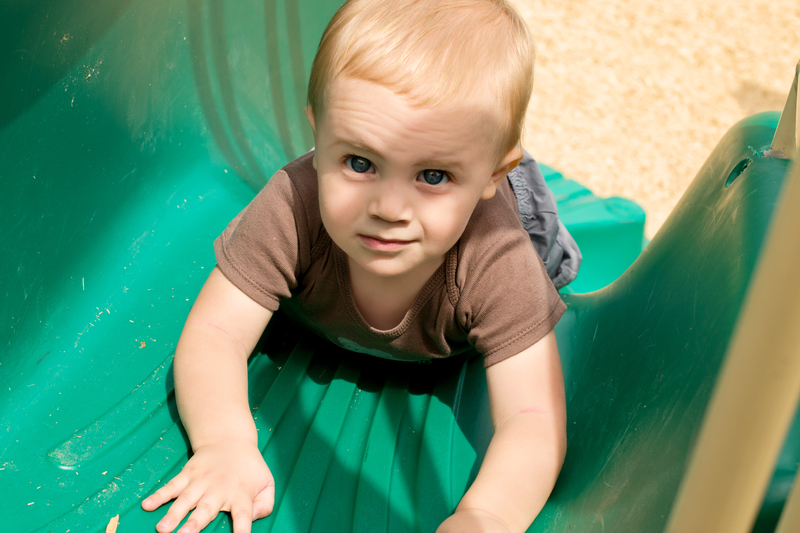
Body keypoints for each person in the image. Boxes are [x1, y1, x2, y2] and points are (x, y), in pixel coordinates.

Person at [142, 0, 580, 531]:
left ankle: (515, 192)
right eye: (359, 162)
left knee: (547, 264)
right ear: (317, 134)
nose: (389, 209)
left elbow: (534, 419)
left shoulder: (498, 256)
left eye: (433, 176)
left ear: (490, 172)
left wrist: (485, 515)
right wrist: (225, 442)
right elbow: (214, 333)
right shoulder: (293, 205)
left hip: (506, 220)